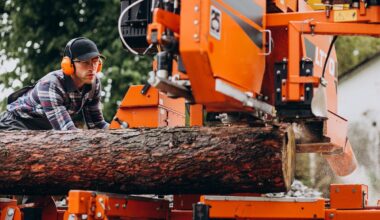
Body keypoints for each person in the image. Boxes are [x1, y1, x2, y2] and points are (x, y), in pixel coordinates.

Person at [0, 37, 109, 130]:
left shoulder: (94, 84)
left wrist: (120, 131)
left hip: (43, 130)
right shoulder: (50, 84)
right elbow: (67, 132)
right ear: (68, 64)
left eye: (95, 62)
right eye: (85, 62)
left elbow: (96, 124)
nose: (92, 68)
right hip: (15, 124)